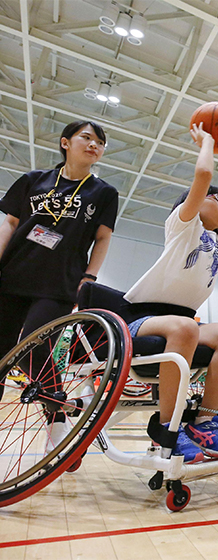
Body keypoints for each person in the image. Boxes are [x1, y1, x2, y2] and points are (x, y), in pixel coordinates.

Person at [123, 123, 218, 463]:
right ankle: (169, 425)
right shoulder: (182, 225)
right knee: (185, 327)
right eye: (215, 199)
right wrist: (207, 143)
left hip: (182, 321)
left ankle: (205, 423)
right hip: (141, 318)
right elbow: (203, 174)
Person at [0, 120, 118, 446]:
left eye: (100, 142)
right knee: (0, 352)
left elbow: (103, 238)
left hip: (59, 282)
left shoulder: (104, 193)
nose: (94, 144)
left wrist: (89, 276)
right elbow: (10, 223)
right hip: (12, 275)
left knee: (32, 350)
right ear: (66, 143)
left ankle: (56, 414)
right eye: (87, 137)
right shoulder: (33, 181)